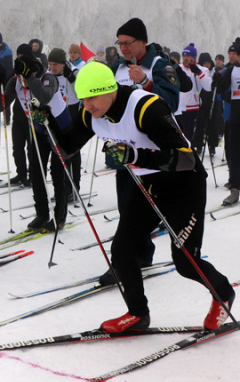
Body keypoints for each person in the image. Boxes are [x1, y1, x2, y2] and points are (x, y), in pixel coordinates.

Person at [44, 61, 235, 332]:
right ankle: (137, 314)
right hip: (148, 185)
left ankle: (223, 293)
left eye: (92, 97)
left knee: (185, 261)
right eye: (83, 99)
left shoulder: (146, 108)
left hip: (184, 185)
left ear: (109, 89)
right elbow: (66, 150)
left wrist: (134, 155)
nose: (87, 105)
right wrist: (47, 121)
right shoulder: (92, 114)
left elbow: (187, 159)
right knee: (122, 250)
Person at [98, 18, 182, 285]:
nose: (122, 48)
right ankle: (140, 253)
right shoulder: (117, 68)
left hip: (150, 152)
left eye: (128, 42)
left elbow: (171, 102)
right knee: (127, 205)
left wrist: (146, 82)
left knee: (141, 207)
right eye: (119, 43)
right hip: (124, 150)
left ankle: (129, 257)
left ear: (142, 42)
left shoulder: (160, 65)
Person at [5, 44, 71, 231]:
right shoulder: (17, 81)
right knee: (36, 172)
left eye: (24, 77)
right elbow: (1, 103)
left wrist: (30, 78)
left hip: (59, 130)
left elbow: (43, 97)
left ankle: (59, 216)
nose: (21, 81)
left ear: (33, 72)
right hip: (39, 131)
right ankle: (42, 214)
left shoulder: (48, 78)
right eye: (19, 77)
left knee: (57, 174)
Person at [48, 47, 81, 198]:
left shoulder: (72, 72)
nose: (52, 67)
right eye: (50, 64)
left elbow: (83, 92)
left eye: (56, 64)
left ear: (63, 64)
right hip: (56, 116)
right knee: (59, 154)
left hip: (72, 112)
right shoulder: (48, 75)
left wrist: (74, 80)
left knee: (72, 153)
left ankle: (74, 188)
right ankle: (62, 188)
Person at [212, 37, 240, 205]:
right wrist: (216, 80)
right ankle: (235, 189)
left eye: (235, 53)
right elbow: (221, 88)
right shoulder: (231, 70)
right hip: (235, 119)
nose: (233, 57)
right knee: (234, 155)